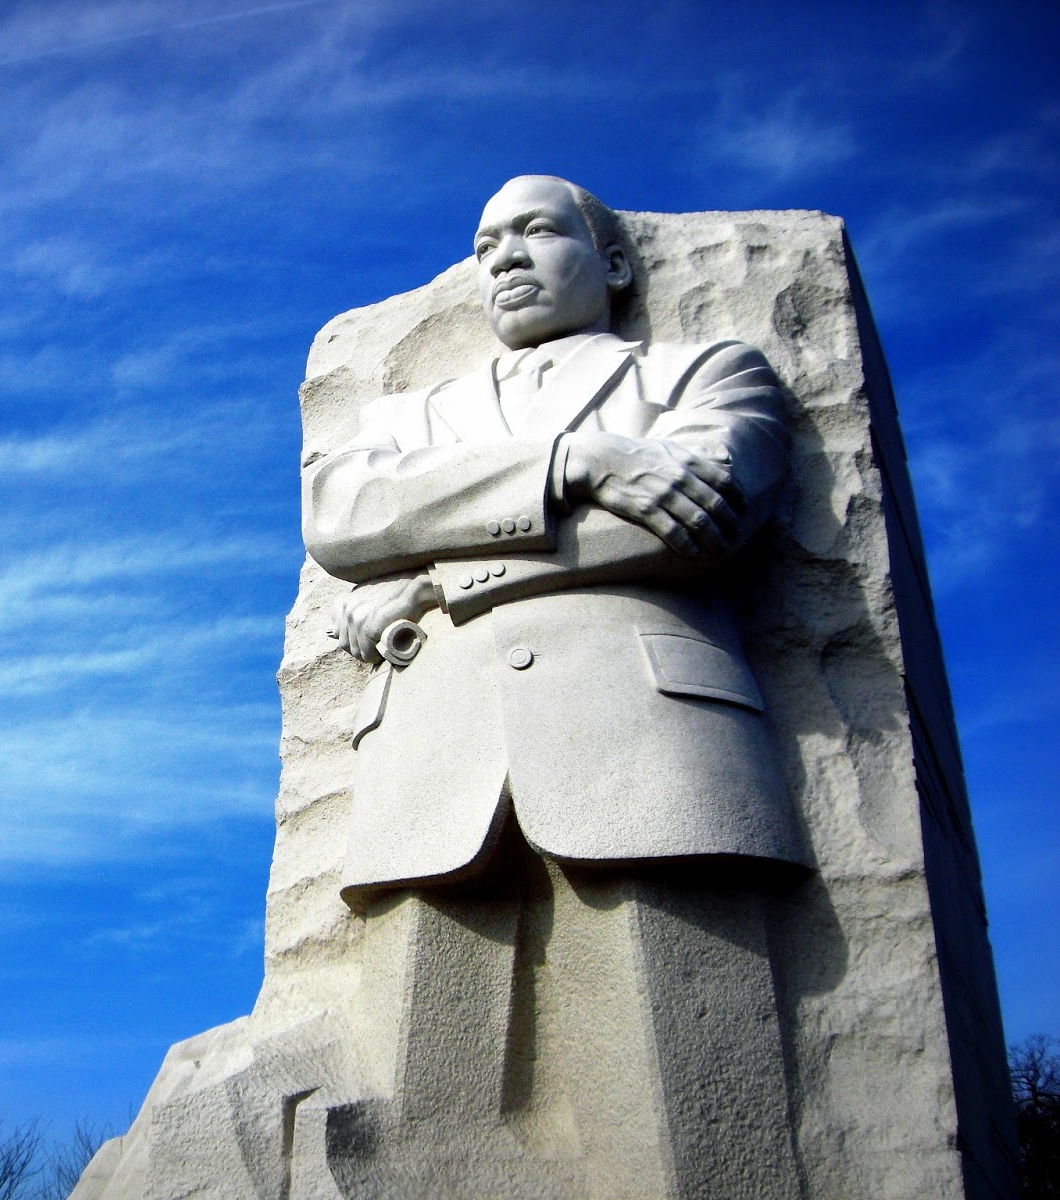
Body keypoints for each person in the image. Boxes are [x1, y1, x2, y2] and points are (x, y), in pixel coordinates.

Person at [303, 174, 808, 904]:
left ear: (614, 265)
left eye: (538, 232)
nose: (506, 259)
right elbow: (343, 514)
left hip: (654, 746)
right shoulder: (405, 419)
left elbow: (697, 519)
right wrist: (578, 460)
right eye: (487, 247)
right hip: (426, 768)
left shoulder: (704, 373)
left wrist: (433, 584)